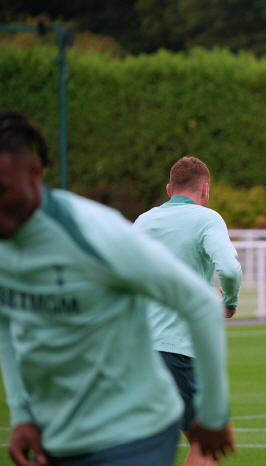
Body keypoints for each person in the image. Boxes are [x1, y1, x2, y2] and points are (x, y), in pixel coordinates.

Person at [0, 111, 234, 466]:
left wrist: (215, 415)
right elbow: (6, 322)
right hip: (57, 435)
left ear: (34, 173)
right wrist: (22, 412)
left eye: (2, 189)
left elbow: (200, 303)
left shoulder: (94, 231)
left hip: (133, 433)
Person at [133, 156, 242, 466]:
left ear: (170, 189)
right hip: (179, 346)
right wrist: (230, 302)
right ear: (205, 189)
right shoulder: (206, 218)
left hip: (139, 348)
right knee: (206, 442)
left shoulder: (143, 221)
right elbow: (231, 270)